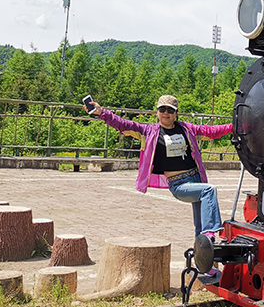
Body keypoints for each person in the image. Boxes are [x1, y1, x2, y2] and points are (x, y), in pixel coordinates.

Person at [86, 94, 232, 280]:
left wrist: (234, 127)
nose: (166, 113)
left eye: (170, 110)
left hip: (195, 179)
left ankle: (203, 264)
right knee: (208, 191)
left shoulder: (186, 129)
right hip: (179, 184)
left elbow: (211, 131)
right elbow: (123, 125)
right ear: (157, 112)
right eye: (162, 109)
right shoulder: (148, 131)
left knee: (200, 225)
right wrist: (102, 113)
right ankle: (211, 233)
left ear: (176, 113)